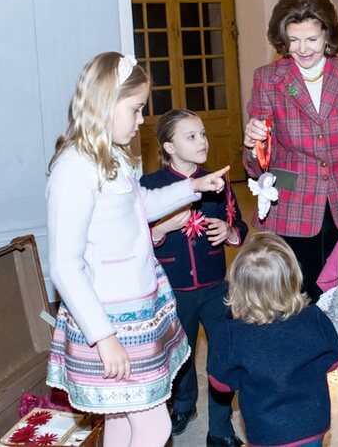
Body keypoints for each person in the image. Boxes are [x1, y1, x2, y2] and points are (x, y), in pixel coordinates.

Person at [45, 52, 230, 446]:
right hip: (110, 320)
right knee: (154, 425)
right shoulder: (74, 169)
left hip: (133, 309)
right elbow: (64, 265)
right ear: (105, 104)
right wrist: (104, 337)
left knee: (122, 419)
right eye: (136, 108)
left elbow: (140, 206)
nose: (142, 119)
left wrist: (191, 188)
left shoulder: (111, 156)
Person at [240, 0, 338, 446]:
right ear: (282, 39)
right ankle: (303, 411)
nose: (303, 50)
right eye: (293, 40)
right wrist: (252, 145)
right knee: (294, 316)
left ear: (329, 34)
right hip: (292, 215)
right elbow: (256, 168)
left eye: (312, 38)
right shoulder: (268, 79)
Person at [139, 109, 248, 447]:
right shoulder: (149, 186)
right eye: (191, 136)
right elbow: (133, 238)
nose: (202, 141)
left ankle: (221, 426)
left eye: (203, 134)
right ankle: (184, 405)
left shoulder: (218, 179)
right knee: (181, 354)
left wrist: (229, 231)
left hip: (216, 285)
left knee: (224, 352)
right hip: (174, 290)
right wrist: (161, 228)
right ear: (169, 146)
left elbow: (239, 225)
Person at [208, 232, 338, 447]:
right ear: (293, 277)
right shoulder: (315, 317)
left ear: (237, 287)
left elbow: (222, 384)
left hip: (266, 432)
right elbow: (334, 359)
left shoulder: (232, 334)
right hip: (314, 423)